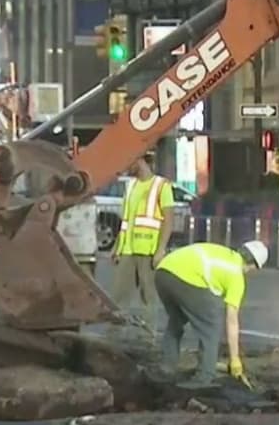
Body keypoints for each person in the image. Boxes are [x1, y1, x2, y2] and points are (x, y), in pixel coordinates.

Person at [154, 240, 268, 387]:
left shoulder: (223, 253)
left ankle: (167, 366)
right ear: (254, 266)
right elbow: (231, 320)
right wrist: (235, 360)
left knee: (177, 320)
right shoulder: (236, 276)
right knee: (211, 325)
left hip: (163, 272)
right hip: (185, 278)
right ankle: (204, 377)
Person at [111, 152, 175, 326]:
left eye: (128, 162)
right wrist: (117, 246)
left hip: (148, 250)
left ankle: (149, 336)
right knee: (118, 297)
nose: (125, 167)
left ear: (139, 160)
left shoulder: (161, 185)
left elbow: (168, 219)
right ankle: (115, 337)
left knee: (148, 296)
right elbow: (126, 220)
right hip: (128, 250)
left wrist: (161, 249)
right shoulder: (131, 185)